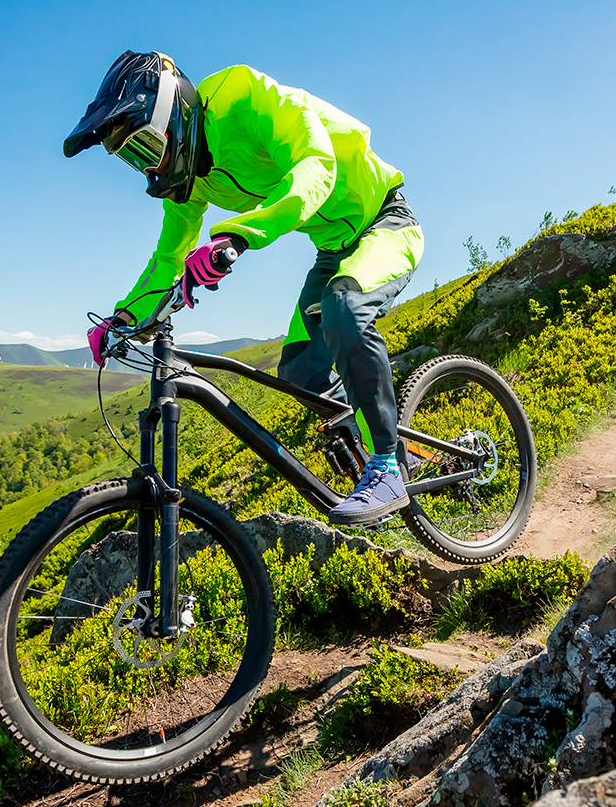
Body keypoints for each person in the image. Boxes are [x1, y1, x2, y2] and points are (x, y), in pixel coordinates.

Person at [64, 51, 424, 526]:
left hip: (385, 220)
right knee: (300, 370)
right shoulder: (189, 182)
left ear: (174, 112)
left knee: (342, 306)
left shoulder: (244, 97)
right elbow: (168, 259)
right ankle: (393, 450)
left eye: (147, 148)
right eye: (134, 159)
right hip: (333, 249)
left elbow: (317, 166)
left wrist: (237, 236)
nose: (150, 170)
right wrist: (125, 318)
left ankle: (387, 467)